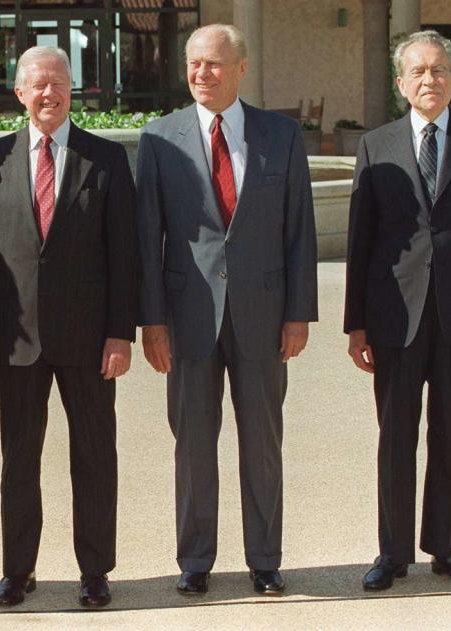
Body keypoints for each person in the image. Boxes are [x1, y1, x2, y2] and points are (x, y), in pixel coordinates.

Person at [136, 24, 317, 596]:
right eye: (193, 63)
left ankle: (265, 558)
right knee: (192, 443)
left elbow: (300, 233)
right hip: (187, 319)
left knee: (262, 440)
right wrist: (152, 321)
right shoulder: (159, 138)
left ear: (242, 68)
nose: (200, 74)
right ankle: (196, 561)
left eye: (213, 63)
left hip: (264, 316)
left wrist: (298, 313)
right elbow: (148, 239)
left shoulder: (282, 135)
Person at [345, 30, 451, 591]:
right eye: (418, 72)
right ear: (401, 83)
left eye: (440, 70)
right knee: (395, 435)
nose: (430, 80)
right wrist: (357, 324)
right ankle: (392, 554)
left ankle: (445, 547)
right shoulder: (377, 144)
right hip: (395, 314)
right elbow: (361, 238)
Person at [0, 46, 137, 608]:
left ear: (73, 89)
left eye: (58, 83)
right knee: (19, 458)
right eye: (37, 85)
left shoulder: (106, 160)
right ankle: (18, 570)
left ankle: (95, 570)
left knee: (93, 455)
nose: (49, 94)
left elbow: (124, 256)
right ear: (19, 93)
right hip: (15, 340)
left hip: (89, 341)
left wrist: (120, 333)